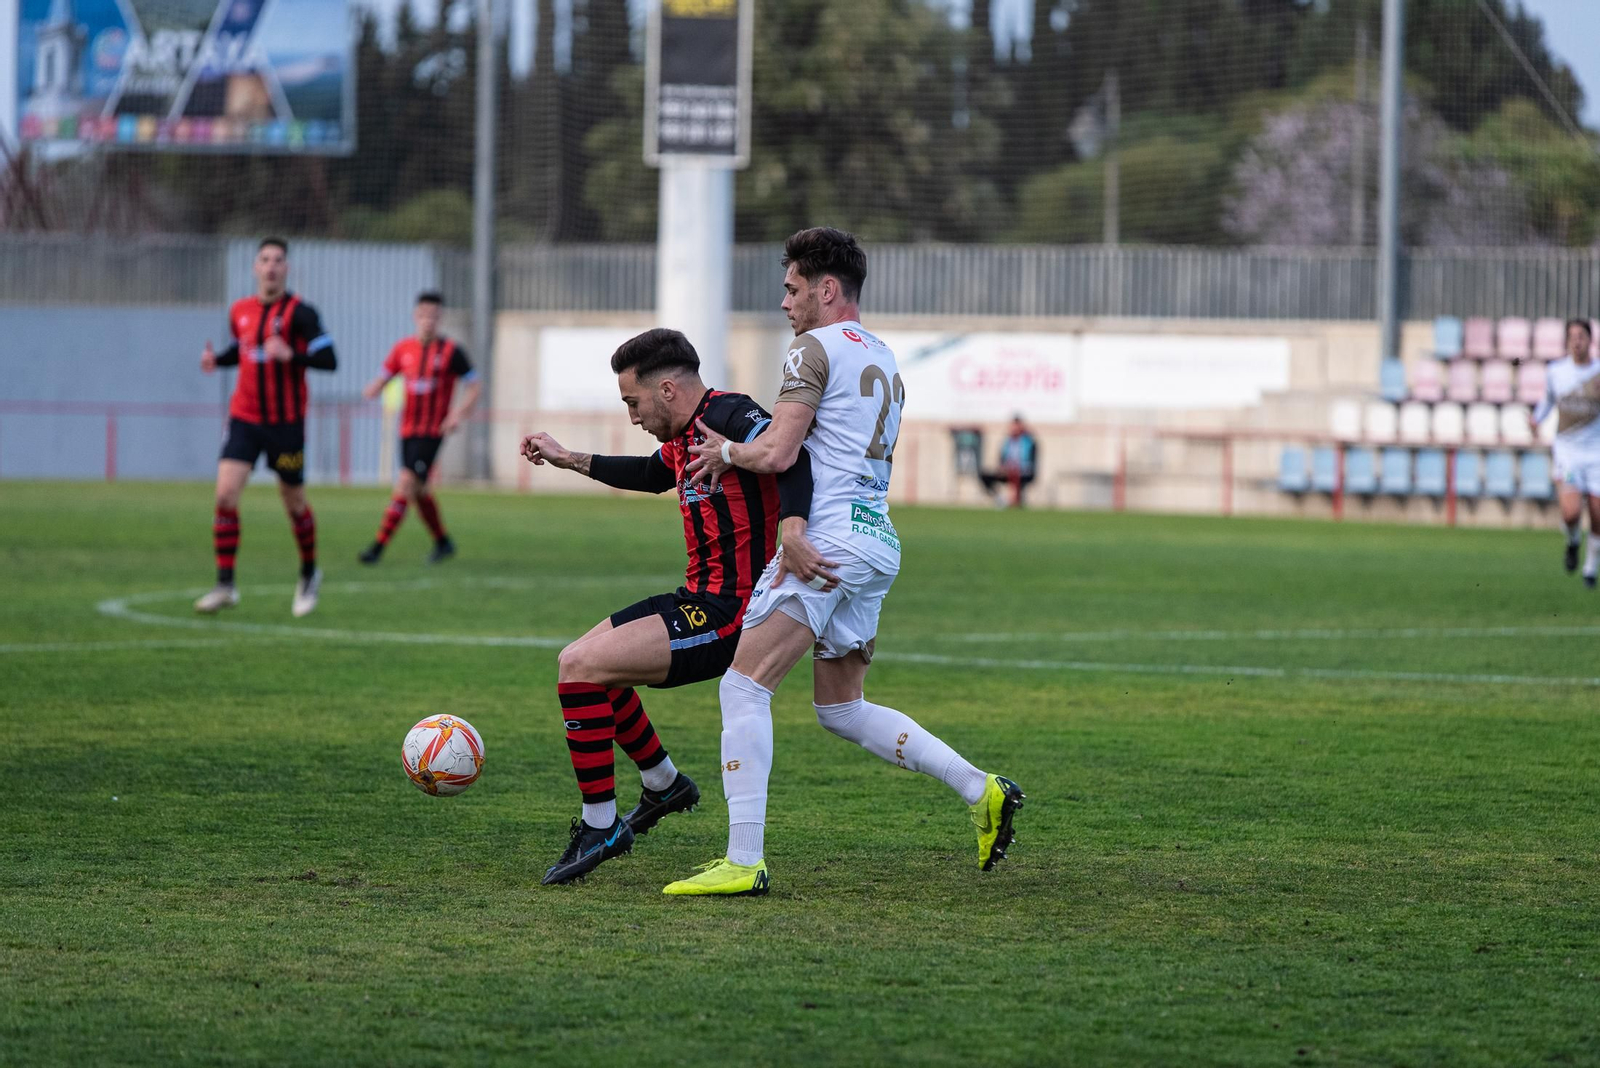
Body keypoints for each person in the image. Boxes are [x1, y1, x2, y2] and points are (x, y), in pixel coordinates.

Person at [666, 227, 1023, 897]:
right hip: (876, 539)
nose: (785, 303)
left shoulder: (813, 348)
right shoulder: (883, 355)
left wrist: (727, 454)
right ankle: (981, 789)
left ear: (827, 290)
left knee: (743, 686)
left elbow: (777, 452)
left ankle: (743, 860)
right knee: (840, 708)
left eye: (792, 288)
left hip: (824, 545)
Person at [518, 327, 813, 885]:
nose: (633, 416)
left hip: (733, 615)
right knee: (581, 660)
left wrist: (793, 527)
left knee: (580, 669)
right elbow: (655, 474)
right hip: (695, 596)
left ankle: (600, 824)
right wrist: (567, 458)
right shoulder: (683, 438)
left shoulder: (730, 416)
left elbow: (791, 458)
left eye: (634, 401)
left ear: (669, 390)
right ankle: (663, 784)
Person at [195, 237, 337, 617]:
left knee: (293, 502)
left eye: (278, 260)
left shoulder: (302, 313)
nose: (271, 266)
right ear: (255, 268)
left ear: (286, 268)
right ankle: (225, 584)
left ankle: (309, 573)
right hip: (245, 418)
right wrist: (216, 360)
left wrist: (293, 354)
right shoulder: (239, 310)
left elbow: (330, 359)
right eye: (265, 260)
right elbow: (241, 351)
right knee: (225, 494)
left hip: (286, 425)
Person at [358, 292, 482, 565]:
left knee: (405, 482)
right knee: (419, 490)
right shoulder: (403, 349)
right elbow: (385, 373)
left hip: (431, 432)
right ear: (416, 317)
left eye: (434, 316)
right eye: (424, 315)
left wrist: (457, 413)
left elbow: (474, 385)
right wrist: (373, 387)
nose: (428, 321)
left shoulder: (451, 351)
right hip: (406, 431)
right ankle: (443, 542)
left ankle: (377, 548)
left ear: (440, 319)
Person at [1530, 317, 1600, 588]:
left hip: (1596, 453)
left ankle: (1590, 568)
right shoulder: (1556, 372)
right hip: (1568, 452)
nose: (1576, 341)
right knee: (1571, 513)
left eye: (1581, 335)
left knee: (1597, 515)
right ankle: (1572, 542)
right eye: (1572, 336)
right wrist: (1536, 420)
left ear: (1589, 340)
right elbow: (1547, 401)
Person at [979, 415, 1039, 508]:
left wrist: (1016, 467)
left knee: (1017, 476)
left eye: (1016, 426)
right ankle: (1000, 499)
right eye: (1013, 426)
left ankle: (1016, 500)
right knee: (985, 475)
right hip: (1007, 470)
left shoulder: (1029, 441)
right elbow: (1002, 458)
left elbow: (1030, 461)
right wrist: (1002, 467)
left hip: (1023, 471)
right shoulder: (1007, 441)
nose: (1014, 429)